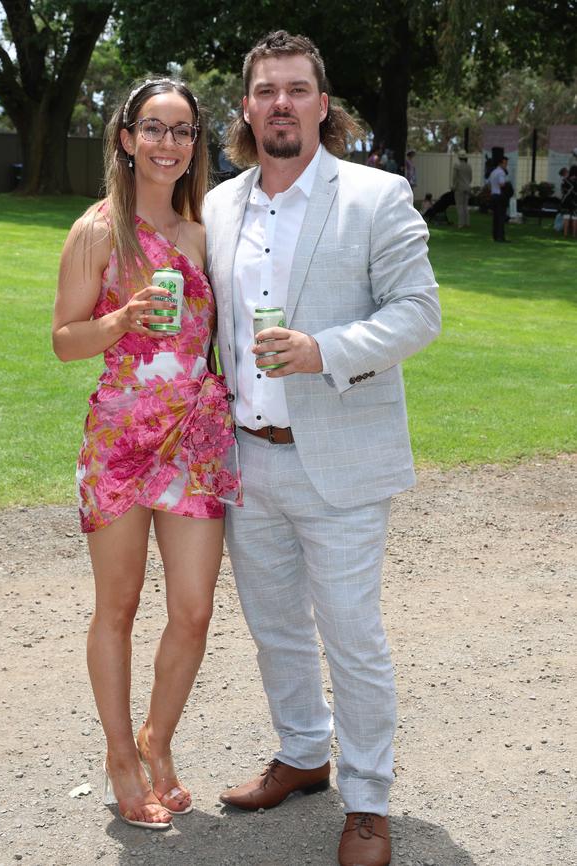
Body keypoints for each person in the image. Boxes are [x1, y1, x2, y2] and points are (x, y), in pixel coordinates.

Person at [202, 30, 440, 866]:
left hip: (339, 457)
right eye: (265, 90)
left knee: (351, 633)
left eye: (297, 90)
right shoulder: (222, 204)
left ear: (322, 103)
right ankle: (305, 755)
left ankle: (368, 799)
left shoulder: (377, 196)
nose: (280, 104)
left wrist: (324, 350)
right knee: (274, 628)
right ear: (245, 107)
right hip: (247, 457)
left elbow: (419, 313)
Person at [52, 78, 240, 830]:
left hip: (193, 439)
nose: (169, 144)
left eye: (184, 131)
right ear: (126, 138)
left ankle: (156, 738)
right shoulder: (99, 231)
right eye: (155, 129)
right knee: (119, 605)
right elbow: (65, 339)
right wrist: (121, 317)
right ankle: (120, 759)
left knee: (193, 610)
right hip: (121, 439)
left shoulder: (205, 231)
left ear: (196, 144)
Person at [488, 155, 509, 242]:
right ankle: (500, 236)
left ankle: (495, 235)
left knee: (495, 217)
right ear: (500, 163)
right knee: (501, 217)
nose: (506, 165)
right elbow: (502, 184)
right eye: (505, 163)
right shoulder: (501, 172)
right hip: (500, 196)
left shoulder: (493, 172)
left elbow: (488, 184)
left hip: (493, 195)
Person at [452, 150, 473, 228]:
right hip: (467, 187)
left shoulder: (457, 165)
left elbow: (455, 178)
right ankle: (467, 223)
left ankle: (461, 223)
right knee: (465, 206)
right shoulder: (469, 166)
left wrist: (454, 186)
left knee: (460, 206)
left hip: (459, 187)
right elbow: (471, 178)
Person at [560, 164, 577, 238]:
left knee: (566, 218)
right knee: (575, 218)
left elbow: (563, 191)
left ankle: (565, 234)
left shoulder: (565, 180)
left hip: (566, 201)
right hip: (575, 201)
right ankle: (574, 234)